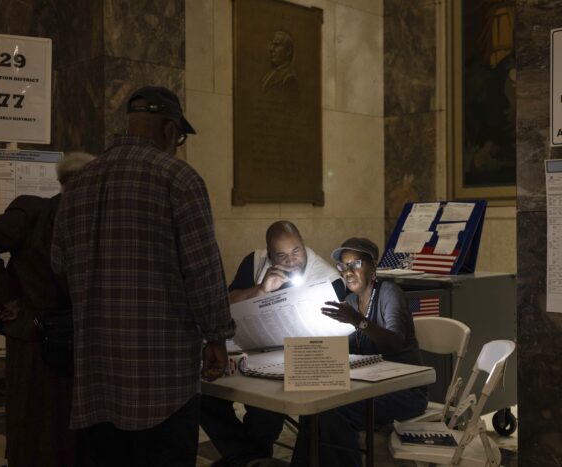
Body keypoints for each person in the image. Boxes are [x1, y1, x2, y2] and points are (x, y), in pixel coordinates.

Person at [51, 86, 235, 467]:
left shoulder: (78, 184)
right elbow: (202, 270)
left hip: (96, 374)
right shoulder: (178, 178)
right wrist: (216, 335)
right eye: (180, 138)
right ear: (169, 130)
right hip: (162, 380)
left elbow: (59, 264)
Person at [0, 151, 95, 467]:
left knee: (61, 419)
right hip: (35, 334)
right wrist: (7, 297)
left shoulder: (90, 219)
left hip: (70, 335)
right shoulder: (35, 212)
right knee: (34, 417)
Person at [200, 220, 345, 467]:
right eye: (282, 255)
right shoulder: (255, 262)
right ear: (269, 254)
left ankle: (243, 460)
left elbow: (335, 336)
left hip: (299, 359)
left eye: (296, 251)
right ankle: (252, 460)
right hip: (250, 352)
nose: (291, 261)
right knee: (203, 396)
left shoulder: (329, 278)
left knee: (265, 410)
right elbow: (227, 301)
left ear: (303, 244)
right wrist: (260, 290)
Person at [291, 237, 428, 467]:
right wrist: (311, 338)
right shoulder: (351, 302)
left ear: (373, 267)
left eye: (355, 264)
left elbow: (394, 343)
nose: (348, 271)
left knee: (332, 412)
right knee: (312, 410)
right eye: (343, 266)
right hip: (371, 385)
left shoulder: (389, 293)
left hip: (405, 389)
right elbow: (349, 345)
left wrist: (359, 322)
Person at [261, 30, 299, 105]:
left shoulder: (289, 79)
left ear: (288, 51)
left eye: (277, 45)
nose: (271, 49)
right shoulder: (267, 76)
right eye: (272, 45)